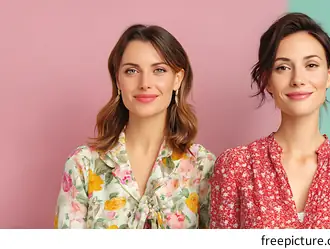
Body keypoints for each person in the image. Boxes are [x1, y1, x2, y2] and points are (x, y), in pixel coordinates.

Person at [209, 12, 330, 229]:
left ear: (329, 74)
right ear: (267, 80)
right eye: (282, 67)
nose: (298, 79)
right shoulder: (235, 166)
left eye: (311, 65)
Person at [54, 24, 215, 229]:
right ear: (118, 79)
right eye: (131, 70)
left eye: (159, 70)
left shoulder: (203, 165)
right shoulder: (82, 164)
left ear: (177, 79)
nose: (145, 83)